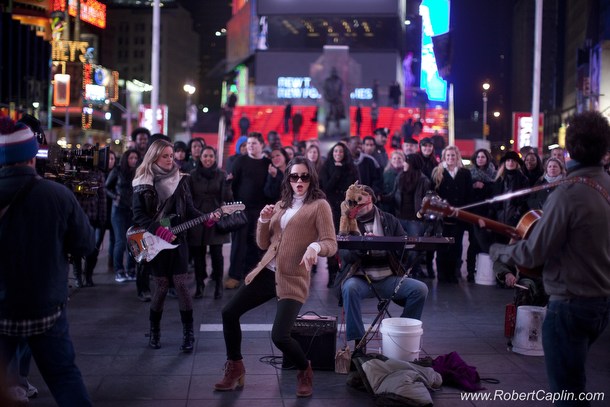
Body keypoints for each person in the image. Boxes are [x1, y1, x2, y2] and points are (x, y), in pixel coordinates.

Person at [490, 111, 610, 403]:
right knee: (576, 380)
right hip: (602, 303)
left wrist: (500, 251)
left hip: (570, 303)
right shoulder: (606, 184)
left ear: (570, 148)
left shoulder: (568, 192)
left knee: (567, 391)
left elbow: (534, 252)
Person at [214, 157, 337, 397]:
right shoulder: (281, 205)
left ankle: (304, 369)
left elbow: (330, 243)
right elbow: (262, 243)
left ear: (311, 177)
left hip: (292, 278)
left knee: (280, 336)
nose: (299, 181)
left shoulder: (319, 205)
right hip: (266, 273)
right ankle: (235, 367)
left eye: (304, 176)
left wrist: (315, 247)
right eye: (294, 176)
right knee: (229, 313)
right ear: (288, 179)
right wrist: (262, 219)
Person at [0, 117, 94, 406]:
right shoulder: (57, 194)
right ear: (32, 155)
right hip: (45, 307)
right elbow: (86, 244)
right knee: (64, 376)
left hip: (2, 307)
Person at [131, 139, 220, 352]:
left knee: (181, 285)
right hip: (154, 240)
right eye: (165, 156)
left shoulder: (180, 179)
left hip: (178, 239)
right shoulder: (142, 180)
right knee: (161, 287)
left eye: (172, 155)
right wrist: (158, 229)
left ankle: (188, 334)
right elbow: (137, 215)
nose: (170, 159)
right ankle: (155, 331)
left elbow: (188, 208)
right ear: (154, 157)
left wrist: (205, 218)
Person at [336, 184, 428, 353]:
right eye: (351, 203)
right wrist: (362, 248)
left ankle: (403, 332)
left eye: (359, 202)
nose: (355, 207)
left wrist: (382, 242)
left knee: (420, 289)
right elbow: (344, 255)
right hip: (361, 278)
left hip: (387, 277)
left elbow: (404, 248)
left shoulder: (389, 219)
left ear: (370, 200)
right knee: (349, 288)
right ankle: (358, 341)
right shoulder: (348, 222)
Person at [226, 132, 272, 289]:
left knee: (256, 243)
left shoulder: (267, 163)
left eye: (254, 143)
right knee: (238, 244)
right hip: (241, 209)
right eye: (249, 143)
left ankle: (251, 274)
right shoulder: (240, 161)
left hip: (260, 210)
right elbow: (233, 185)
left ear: (262, 145)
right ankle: (234, 275)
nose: (250, 146)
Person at [188, 146, 233, 300]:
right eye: (205, 156)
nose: (208, 159)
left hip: (216, 217)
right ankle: (200, 284)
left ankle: (218, 285)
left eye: (211, 156)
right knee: (198, 254)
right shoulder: (192, 175)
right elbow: (189, 198)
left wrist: (227, 185)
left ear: (215, 158)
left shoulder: (221, 174)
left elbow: (227, 199)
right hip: (197, 217)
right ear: (200, 157)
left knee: (217, 254)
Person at [320, 142, 360, 287]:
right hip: (330, 209)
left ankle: (346, 272)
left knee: (346, 242)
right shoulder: (326, 168)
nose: (338, 154)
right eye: (335, 151)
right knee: (331, 241)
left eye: (341, 152)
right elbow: (326, 187)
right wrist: (337, 172)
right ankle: (332, 273)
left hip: (347, 209)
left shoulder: (351, 168)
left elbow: (355, 189)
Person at [431, 146, 473, 282]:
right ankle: (442, 273)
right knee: (442, 245)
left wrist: (462, 210)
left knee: (457, 245)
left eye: (453, 156)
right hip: (442, 216)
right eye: (448, 156)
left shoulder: (465, 173)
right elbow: (433, 194)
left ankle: (454, 273)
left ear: (457, 157)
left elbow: (468, 194)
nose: (450, 158)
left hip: (458, 215)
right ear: (444, 157)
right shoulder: (437, 172)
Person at [106, 149, 142, 286]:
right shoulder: (117, 170)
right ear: (126, 158)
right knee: (120, 241)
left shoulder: (139, 172)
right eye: (131, 158)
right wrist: (115, 196)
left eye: (135, 158)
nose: (133, 160)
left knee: (133, 241)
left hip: (133, 210)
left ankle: (131, 270)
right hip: (119, 210)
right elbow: (106, 187)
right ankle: (119, 270)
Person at [466, 148, 497, 281]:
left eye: (483, 157)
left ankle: (486, 272)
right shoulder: (469, 174)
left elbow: (495, 193)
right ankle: (470, 272)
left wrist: (484, 187)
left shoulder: (494, 174)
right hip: (474, 214)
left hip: (488, 214)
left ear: (487, 158)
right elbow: (466, 193)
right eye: (478, 157)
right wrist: (473, 187)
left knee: (486, 243)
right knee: (473, 243)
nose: (480, 159)